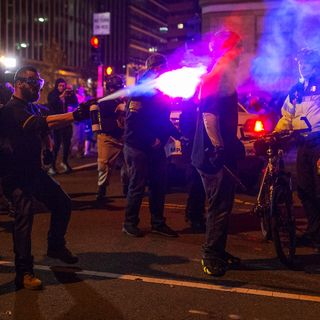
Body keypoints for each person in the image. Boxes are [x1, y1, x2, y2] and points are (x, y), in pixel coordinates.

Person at [0, 65, 92, 290]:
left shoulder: (32, 107)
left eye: (39, 83)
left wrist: (47, 147)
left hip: (33, 171)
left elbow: (46, 123)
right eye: (34, 83)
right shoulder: (12, 110)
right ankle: (24, 272)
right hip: (15, 174)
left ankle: (55, 246)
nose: (38, 87)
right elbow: (40, 123)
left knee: (62, 203)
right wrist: (75, 115)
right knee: (24, 219)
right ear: (20, 84)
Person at [191, 30, 244, 276]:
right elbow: (209, 114)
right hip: (212, 155)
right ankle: (210, 255)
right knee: (218, 207)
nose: (241, 52)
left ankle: (218, 251)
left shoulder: (222, 72)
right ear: (226, 49)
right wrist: (219, 147)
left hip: (215, 152)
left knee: (223, 205)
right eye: (237, 46)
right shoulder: (219, 73)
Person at [123, 53, 181, 237]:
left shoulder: (160, 88)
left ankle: (157, 223)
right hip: (138, 145)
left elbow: (161, 119)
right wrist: (150, 139)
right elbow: (133, 121)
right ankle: (129, 223)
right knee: (137, 186)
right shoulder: (141, 89)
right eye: (163, 67)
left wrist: (179, 135)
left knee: (158, 185)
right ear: (155, 68)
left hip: (155, 145)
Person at [274, 48, 320, 250]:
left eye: (307, 63)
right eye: (300, 63)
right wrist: (276, 134)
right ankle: (314, 231)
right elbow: (287, 116)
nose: (303, 67)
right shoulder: (296, 90)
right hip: (304, 144)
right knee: (304, 189)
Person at [96, 75, 128, 200]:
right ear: (110, 89)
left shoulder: (123, 100)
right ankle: (101, 191)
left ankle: (127, 189)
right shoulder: (104, 102)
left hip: (123, 137)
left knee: (128, 166)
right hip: (108, 138)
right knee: (104, 167)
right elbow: (109, 110)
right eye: (115, 88)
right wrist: (120, 107)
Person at [47, 78, 78, 174]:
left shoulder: (67, 94)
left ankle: (64, 162)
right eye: (60, 86)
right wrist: (61, 97)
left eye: (63, 86)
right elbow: (52, 103)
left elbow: (75, 102)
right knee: (56, 145)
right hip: (57, 123)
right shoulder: (53, 94)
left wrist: (72, 93)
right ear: (57, 86)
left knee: (67, 143)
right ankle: (52, 165)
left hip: (66, 122)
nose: (62, 88)